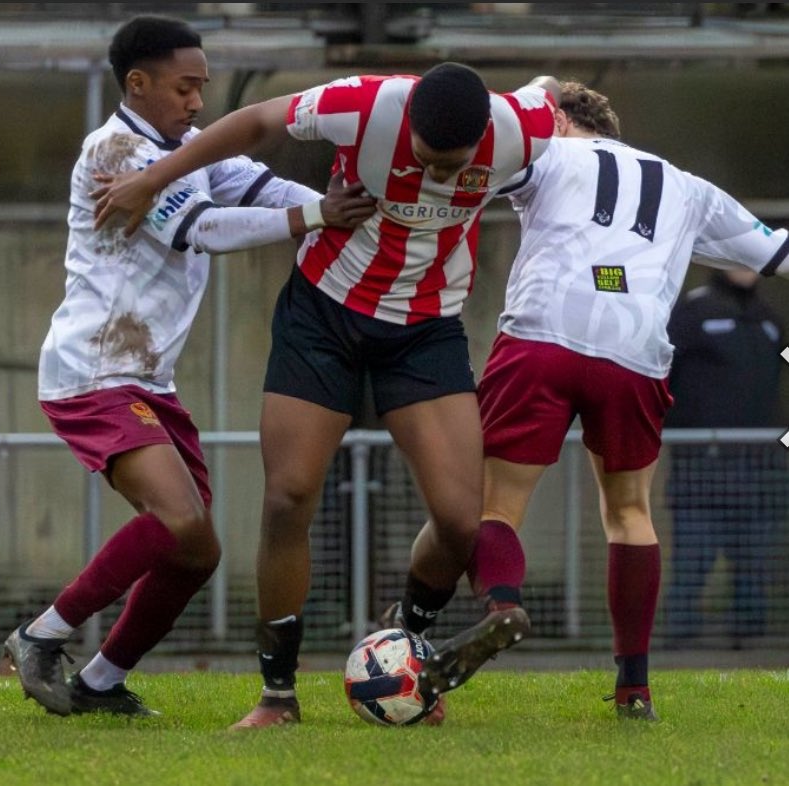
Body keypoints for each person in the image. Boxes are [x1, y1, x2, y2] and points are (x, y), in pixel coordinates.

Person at [92, 61, 560, 728]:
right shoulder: (365, 105)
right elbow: (255, 120)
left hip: (425, 328)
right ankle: (277, 696)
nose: (435, 174)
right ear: (408, 122)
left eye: (452, 166)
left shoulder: (520, 126)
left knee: (461, 522)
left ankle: (405, 646)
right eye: (425, 156)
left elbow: (552, 96)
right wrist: (153, 177)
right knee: (288, 497)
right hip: (323, 315)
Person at [2, 14, 375, 718]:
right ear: (138, 83)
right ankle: (40, 635)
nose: (197, 101)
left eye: (202, 86)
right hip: (94, 371)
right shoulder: (116, 149)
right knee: (176, 519)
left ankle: (100, 683)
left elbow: (262, 188)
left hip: (146, 378)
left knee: (196, 550)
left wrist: (352, 213)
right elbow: (201, 229)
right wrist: (317, 217)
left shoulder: (188, 148)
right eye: (184, 87)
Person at [423, 81, 789, 720]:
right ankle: (634, 688)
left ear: (560, 120)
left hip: (543, 333)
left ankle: (503, 605)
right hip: (636, 348)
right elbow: (776, 254)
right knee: (629, 513)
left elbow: (472, 160)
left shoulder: (548, 152)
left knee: (495, 505)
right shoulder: (688, 187)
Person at [664, 268, 788, 644]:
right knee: (693, 562)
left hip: (760, 470)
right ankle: (678, 647)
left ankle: (749, 644)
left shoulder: (768, 319)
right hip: (700, 468)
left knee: (753, 567)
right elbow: (662, 372)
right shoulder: (693, 311)